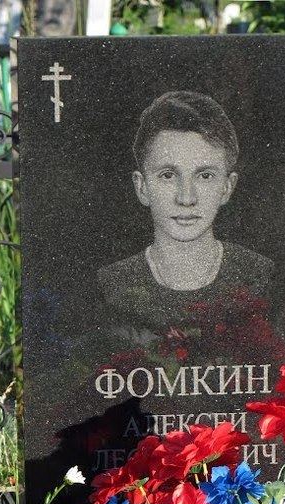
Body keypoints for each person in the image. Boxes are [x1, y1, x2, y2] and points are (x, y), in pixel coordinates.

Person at [97, 91, 274, 334]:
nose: (186, 198)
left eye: (205, 176)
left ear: (227, 187)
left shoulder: (259, 275)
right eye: (168, 175)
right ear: (142, 187)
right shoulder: (113, 283)